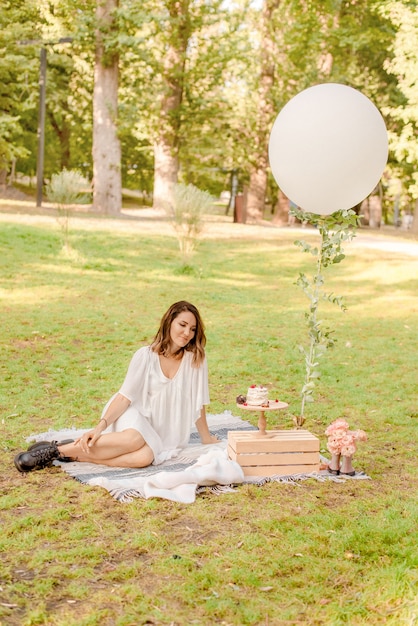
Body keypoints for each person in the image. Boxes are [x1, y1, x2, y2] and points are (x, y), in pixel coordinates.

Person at [14, 301, 220, 473]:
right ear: (169, 322)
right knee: (136, 438)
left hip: (161, 432)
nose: (187, 333)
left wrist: (206, 438)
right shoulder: (145, 356)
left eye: (192, 329)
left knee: (145, 457)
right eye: (182, 325)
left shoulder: (196, 361)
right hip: (131, 415)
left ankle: (80, 456)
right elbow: (124, 397)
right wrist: (99, 427)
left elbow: (198, 403)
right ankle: (56, 451)